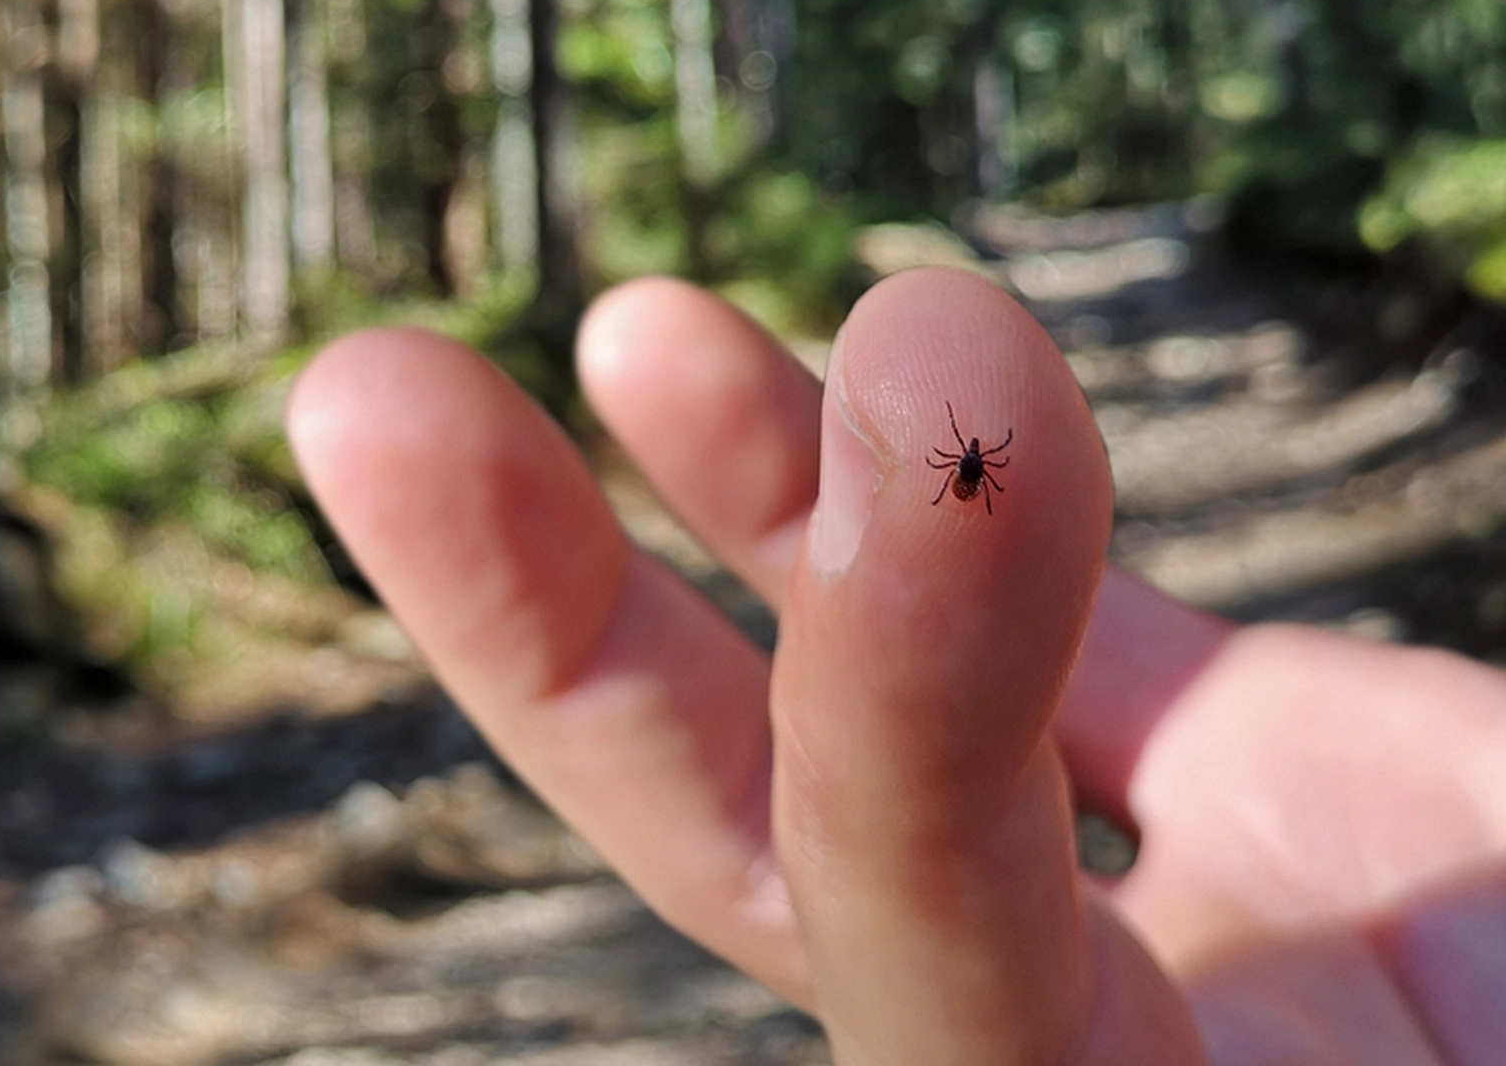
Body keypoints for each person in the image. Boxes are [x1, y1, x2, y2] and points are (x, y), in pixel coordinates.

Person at [286, 267, 1506, 1064]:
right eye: (967, 463)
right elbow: (964, 466)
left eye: (972, 464)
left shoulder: (969, 467)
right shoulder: (966, 466)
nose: (969, 465)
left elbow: (967, 467)